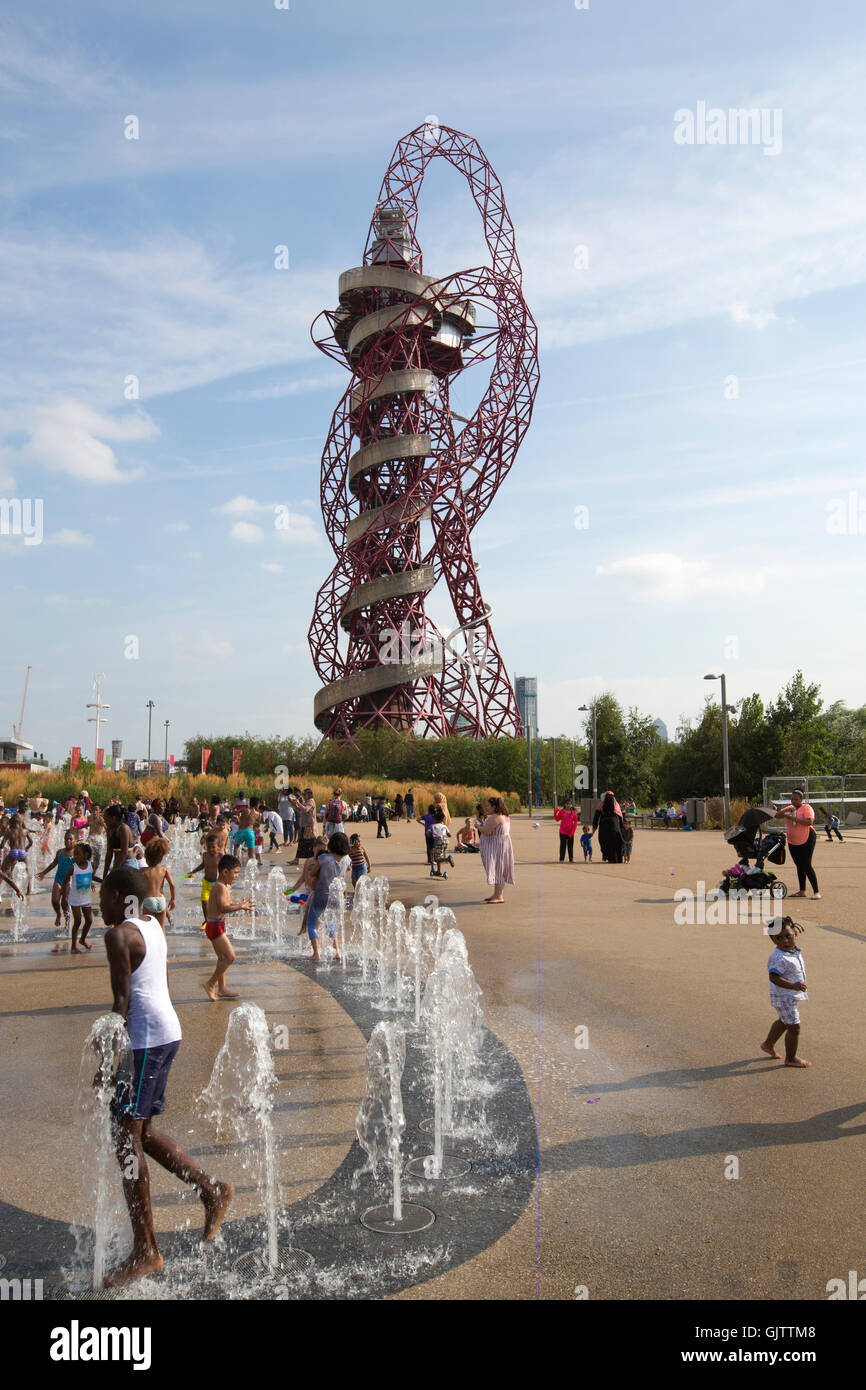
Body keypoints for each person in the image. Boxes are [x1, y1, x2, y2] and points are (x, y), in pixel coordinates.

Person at [99, 864, 234, 1287]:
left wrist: (105, 1064)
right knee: (142, 1131)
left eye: (105, 895)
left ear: (120, 896)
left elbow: (121, 1004)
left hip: (142, 1041)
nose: (101, 903)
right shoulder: (152, 924)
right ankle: (212, 1190)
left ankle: (147, 1251)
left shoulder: (118, 935)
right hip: (166, 1034)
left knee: (126, 1139)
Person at [760, 916, 810, 1068]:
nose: (785, 941)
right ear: (774, 941)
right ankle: (791, 1058)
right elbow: (773, 977)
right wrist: (793, 985)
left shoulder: (793, 952)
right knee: (794, 1027)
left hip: (789, 995)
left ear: (796, 934)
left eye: (788, 936)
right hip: (784, 996)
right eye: (779, 938)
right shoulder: (779, 957)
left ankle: (768, 1044)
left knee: (784, 1020)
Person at [203, 854, 252, 1001]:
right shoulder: (221, 887)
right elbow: (224, 908)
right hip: (214, 926)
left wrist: (239, 906)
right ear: (224, 872)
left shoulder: (223, 886)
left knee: (222, 958)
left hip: (215, 924)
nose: (237, 876)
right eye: (235, 872)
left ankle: (222, 989)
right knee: (230, 957)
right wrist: (240, 906)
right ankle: (210, 984)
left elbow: (223, 908)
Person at [305, 833, 351, 963]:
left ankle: (316, 953)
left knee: (312, 923)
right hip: (337, 896)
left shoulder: (324, 858)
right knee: (332, 923)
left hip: (321, 895)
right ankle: (337, 952)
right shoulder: (347, 859)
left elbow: (312, 872)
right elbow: (348, 870)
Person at [779, 789, 820, 899]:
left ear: (801, 799)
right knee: (799, 865)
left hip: (807, 838)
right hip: (793, 840)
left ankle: (816, 892)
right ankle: (802, 891)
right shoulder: (789, 808)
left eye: (796, 799)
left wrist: (792, 817)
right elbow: (777, 815)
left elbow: (809, 822)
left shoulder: (806, 808)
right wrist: (785, 812)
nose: (793, 801)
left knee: (806, 864)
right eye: (792, 799)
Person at [60, 841, 101, 952]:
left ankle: (82, 939)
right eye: (75, 854)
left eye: (78, 854)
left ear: (86, 855)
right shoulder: (73, 867)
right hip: (75, 899)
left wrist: (101, 881)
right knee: (77, 920)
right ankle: (74, 945)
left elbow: (91, 876)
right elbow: (65, 880)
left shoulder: (90, 865)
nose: (75, 856)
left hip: (86, 898)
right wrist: (64, 895)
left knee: (89, 920)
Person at [477, 796, 514, 904]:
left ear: (494, 806)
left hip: (496, 847)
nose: (486, 808)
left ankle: (499, 896)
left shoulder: (495, 817)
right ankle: (496, 894)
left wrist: (478, 825)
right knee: (499, 869)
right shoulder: (505, 816)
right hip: (502, 845)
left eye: (488, 805)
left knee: (497, 869)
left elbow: (487, 831)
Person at [38, 829, 77, 927]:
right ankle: (58, 914)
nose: (68, 841)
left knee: (65, 903)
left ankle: (67, 923)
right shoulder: (60, 852)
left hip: (69, 881)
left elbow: (82, 866)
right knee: (55, 901)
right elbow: (54, 864)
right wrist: (44, 872)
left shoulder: (76, 854)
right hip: (58, 880)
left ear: (75, 840)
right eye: (66, 839)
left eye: (70, 839)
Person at [189, 833, 222, 932]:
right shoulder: (205, 855)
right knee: (204, 902)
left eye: (213, 847)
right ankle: (207, 920)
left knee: (217, 904)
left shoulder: (220, 856)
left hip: (216, 884)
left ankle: (217, 921)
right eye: (208, 847)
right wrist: (192, 871)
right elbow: (202, 865)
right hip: (206, 883)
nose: (211, 849)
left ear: (219, 847)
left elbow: (225, 869)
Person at [142, 837, 176, 930]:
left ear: (147, 857)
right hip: (161, 900)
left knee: (148, 929)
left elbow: (136, 885)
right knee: (162, 929)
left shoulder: (143, 871)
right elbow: (172, 885)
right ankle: (163, 944)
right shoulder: (164, 869)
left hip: (148, 900)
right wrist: (172, 899)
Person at [0, 814, 34, 894]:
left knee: (3, 870)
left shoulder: (9, 831)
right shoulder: (25, 830)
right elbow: (31, 842)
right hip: (22, 852)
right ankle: (29, 890)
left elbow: (2, 845)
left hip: (13, 852)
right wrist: (26, 849)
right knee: (26, 871)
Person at [103, 804, 136, 875]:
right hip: (117, 863)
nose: (104, 821)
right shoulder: (109, 829)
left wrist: (112, 873)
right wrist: (105, 875)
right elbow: (109, 853)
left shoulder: (123, 828)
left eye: (106, 819)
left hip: (128, 864)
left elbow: (124, 853)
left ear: (113, 818)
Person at [592, 792, 624, 863]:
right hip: (614, 825)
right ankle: (618, 858)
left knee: (605, 841)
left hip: (604, 826)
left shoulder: (601, 805)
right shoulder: (616, 806)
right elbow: (621, 818)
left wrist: (594, 828)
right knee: (616, 842)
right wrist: (622, 828)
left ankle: (608, 857)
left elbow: (596, 818)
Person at [289, 788, 317, 864]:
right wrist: (295, 804)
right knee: (301, 842)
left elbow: (305, 809)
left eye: (304, 794)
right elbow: (300, 810)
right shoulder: (307, 801)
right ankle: (296, 859)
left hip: (309, 827)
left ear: (308, 795)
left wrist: (298, 802)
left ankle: (313, 859)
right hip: (305, 826)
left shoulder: (311, 801)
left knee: (310, 843)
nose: (303, 796)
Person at [429, 807, 454, 878]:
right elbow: (449, 835)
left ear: (436, 819)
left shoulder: (433, 826)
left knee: (437, 858)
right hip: (446, 841)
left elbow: (428, 833)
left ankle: (447, 859)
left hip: (438, 841)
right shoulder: (444, 826)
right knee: (438, 855)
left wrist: (431, 835)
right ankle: (438, 871)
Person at [553, 798, 579, 863]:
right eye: (567, 804)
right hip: (562, 832)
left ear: (571, 805)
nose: (568, 805)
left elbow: (575, 823)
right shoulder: (562, 811)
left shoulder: (574, 812)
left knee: (570, 846)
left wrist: (572, 832)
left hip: (570, 832)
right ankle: (561, 859)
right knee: (563, 846)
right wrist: (555, 812)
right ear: (565, 804)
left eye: (570, 804)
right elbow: (557, 819)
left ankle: (571, 859)